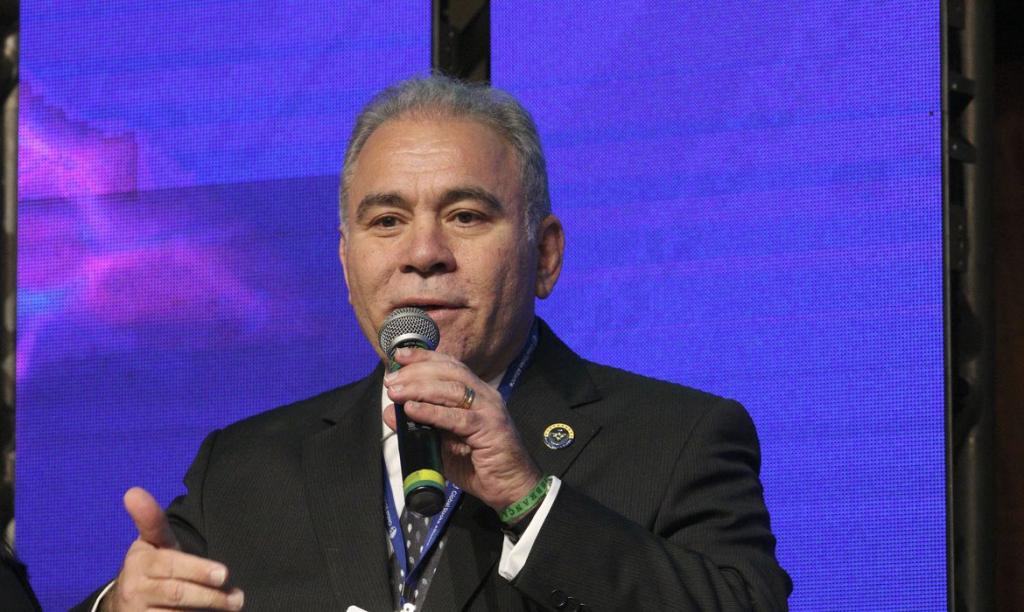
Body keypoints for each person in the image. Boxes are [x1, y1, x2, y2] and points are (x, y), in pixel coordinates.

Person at [76, 75, 791, 611]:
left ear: (545, 256)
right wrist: (120, 606)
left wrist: (528, 499)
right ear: (346, 263)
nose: (423, 253)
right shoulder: (242, 470)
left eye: (466, 215)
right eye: (386, 221)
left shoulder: (679, 440)